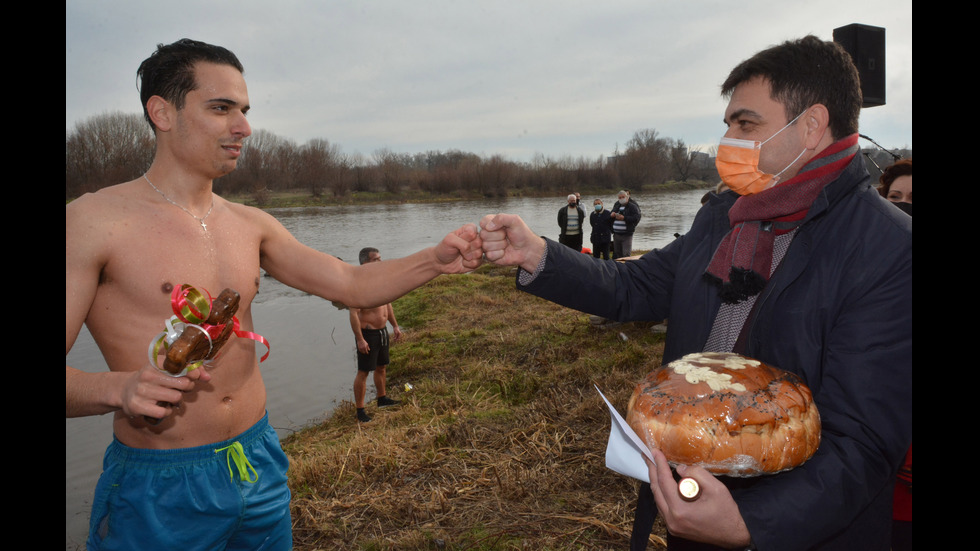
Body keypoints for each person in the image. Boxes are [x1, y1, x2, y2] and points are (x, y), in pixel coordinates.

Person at [480, 35, 911, 550]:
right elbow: (634, 285)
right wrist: (537, 255)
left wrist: (751, 524)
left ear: (812, 126)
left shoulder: (888, 250)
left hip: (799, 531)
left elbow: (863, 443)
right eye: (727, 123)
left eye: (745, 123)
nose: (728, 138)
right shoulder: (724, 217)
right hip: (692, 502)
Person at [65, 39, 483, 551]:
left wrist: (434, 261)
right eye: (221, 108)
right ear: (162, 112)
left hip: (258, 461)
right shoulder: (92, 223)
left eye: (244, 110)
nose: (243, 127)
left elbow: (350, 283)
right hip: (159, 485)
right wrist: (119, 389)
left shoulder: (251, 224)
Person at [349, 247, 403, 423]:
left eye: (381, 259)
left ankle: (382, 399)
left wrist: (394, 326)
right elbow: (354, 314)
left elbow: (388, 305)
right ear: (365, 263)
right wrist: (360, 339)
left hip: (382, 332)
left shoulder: (381, 281)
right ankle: (360, 410)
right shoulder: (358, 285)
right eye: (376, 260)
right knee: (363, 372)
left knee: (382, 367)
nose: (380, 262)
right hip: (368, 334)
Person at [610, 189, 641, 258]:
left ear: (627, 197)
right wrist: (612, 215)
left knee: (626, 254)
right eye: (619, 198)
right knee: (617, 254)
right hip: (616, 234)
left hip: (627, 234)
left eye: (623, 197)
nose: (621, 199)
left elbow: (636, 218)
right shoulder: (617, 205)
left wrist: (624, 218)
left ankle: (627, 268)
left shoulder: (633, 206)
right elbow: (611, 214)